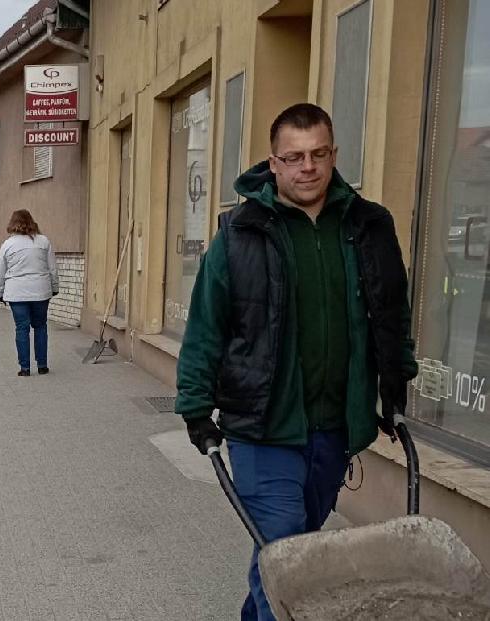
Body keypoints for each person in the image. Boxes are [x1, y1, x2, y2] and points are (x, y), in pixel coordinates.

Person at [175, 103, 417, 621]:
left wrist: (395, 384)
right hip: (262, 426)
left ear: (334, 155)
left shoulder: (369, 225)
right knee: (285, 546)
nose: (307, 166)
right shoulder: (240, 234)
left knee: (292, 547)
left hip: (334, 425)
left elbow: (392, 311)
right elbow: (205, 326)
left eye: (318, 154)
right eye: (294, 157)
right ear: (274, 162)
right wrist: (195, 406)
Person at [0, 209, 59, 377]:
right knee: (41, 327)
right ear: (31, 221)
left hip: (17, 293)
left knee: (21, 328)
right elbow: (52, 268)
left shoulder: (7, 244)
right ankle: (42, 365)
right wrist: (54, 287)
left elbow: (0, 271)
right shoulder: (43, 241)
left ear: (12, 223)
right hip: (41, 292)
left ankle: (25, 368)